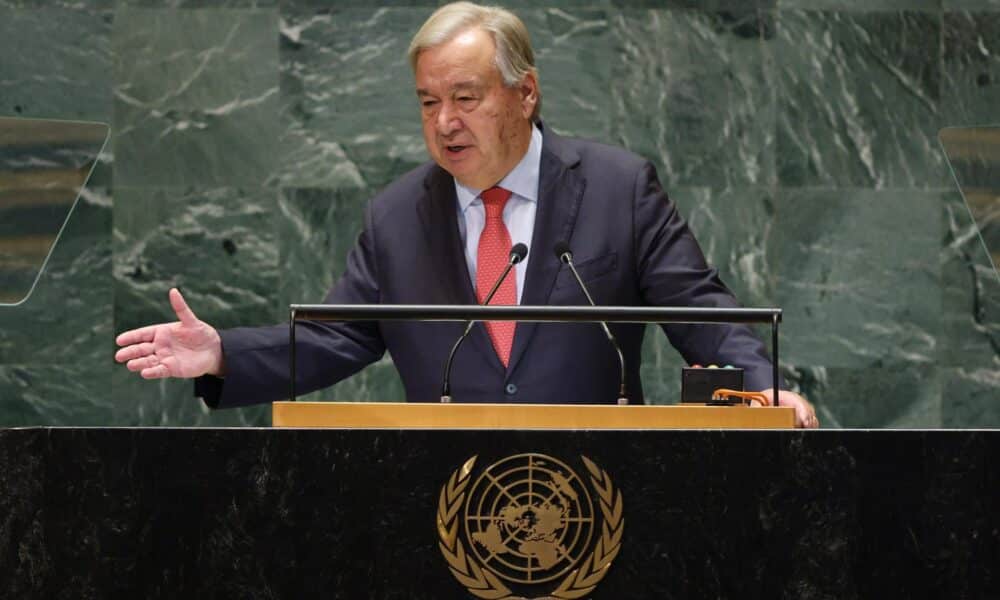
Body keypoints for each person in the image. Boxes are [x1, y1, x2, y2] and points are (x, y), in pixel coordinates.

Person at [115, 2, 818, 428]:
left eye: (466, 97)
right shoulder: (397, 217)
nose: (445, 122)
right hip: (446, 505)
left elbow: (700, 309)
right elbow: (335, 339)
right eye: (428, 102)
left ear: (526, 93)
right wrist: (222, 354)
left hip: (605, 498)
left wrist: (762, 388)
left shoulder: (617, 189)